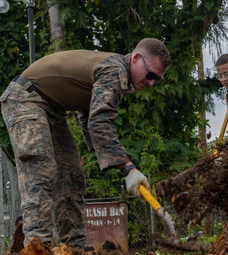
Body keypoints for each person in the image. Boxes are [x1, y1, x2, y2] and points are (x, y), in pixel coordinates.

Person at [0, 38, 172, 249]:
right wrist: (127, 168)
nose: (152, 82)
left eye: (157, 79)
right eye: (151, 74)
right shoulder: (116, 70)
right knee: (40, 174)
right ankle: (37, 248)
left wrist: (112, 159)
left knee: (70, 176)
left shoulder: (114, 72)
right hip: (25, 100)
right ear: (136, 58)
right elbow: (100, 121)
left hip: (51, 110)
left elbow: (88, 115)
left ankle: (74, 248)